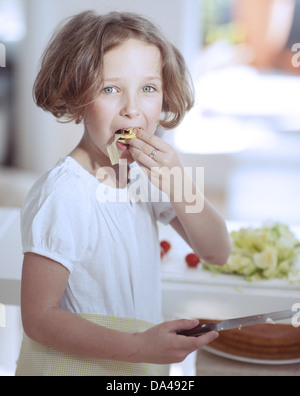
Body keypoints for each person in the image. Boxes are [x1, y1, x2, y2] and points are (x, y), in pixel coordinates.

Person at [16, 10, 231, 376]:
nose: (132, 109)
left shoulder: (145, 177)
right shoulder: (64, 195)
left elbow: (217, 251)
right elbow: (39, 318)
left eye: (148, 89)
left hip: (138, 369)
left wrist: (179, 182)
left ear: (164, 98)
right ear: (76, 95)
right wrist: (138, 345)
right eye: (109, 89)